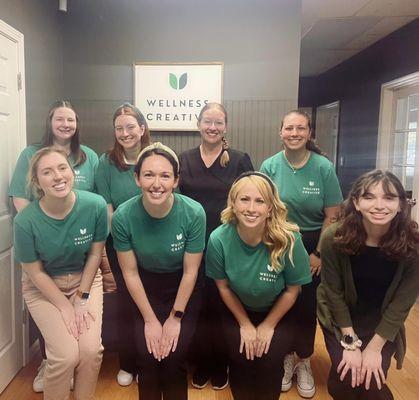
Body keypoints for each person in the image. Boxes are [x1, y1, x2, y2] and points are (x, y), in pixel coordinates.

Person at [8, 100, 111, 393]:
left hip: (85, 280)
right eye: (47, 172)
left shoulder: (93, 205)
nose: (58, 176)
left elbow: (94, 252)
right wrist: (66, 306)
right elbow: (35, 272)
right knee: (65, 356)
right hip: (43, 285)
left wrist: (81, 296)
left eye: (62, 169)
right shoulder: (26, 221)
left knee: (91, 352)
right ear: (36, 181)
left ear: (73, 170)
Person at [111, 142, 206, 399]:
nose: (157, 183)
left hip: (182, 287)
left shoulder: (194, 212)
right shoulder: (123, 216)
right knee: (148, 356)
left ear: (176, 180)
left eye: (165, 176)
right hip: (144, 287)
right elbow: (130, 273)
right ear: (137, 178)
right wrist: (150, 320)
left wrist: (175, 318)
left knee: (174, 356)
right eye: (149, 175)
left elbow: (190, 271)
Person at [206, 172, 312, 400]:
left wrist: (268, 325)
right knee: (241, 357)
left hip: (279, 309)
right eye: (244, 199)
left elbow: (293, 290)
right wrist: (245, 324)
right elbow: (223, 287)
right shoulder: (218, 239)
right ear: (232, 203)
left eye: (260, 201)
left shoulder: (289, 240)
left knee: (269, 360)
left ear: (271, 208)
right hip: (237, 308)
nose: (251, 208)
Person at [260, 109, 342, 397]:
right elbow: (261, 206)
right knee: (280, 303)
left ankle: (303, 360)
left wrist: (318, 252)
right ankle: (284, 358)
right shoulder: (269, 166)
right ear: (280, 132)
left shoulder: (323, 167)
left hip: (312, 244)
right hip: (277, 241)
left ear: (309, 133)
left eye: (301, 128)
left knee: (306, 306)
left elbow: (332, 215)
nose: (294, 133)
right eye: (289, 128)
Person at [317, 169, 419, 400]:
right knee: (345, 378)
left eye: (389, 197)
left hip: (381, 322)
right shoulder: (334, 237)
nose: (379, 205)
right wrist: (350, 343)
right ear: (356, 202)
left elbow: (402, 302)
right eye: (369, 197)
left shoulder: (414, 244)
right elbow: (332, 293)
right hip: (340, 319)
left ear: (401, 204)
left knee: (371, 384)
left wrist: (374, 348)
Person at [178, 102, 253, 389]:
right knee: (197, 304)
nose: (212, 127)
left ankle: (222, 364)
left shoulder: (238, 159)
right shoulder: (183, 160)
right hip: (192, 244)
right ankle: (200, 362)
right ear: (198, 125)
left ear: (225, 127)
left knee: (222, 305)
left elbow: (250, 196)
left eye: (218, 122)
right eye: (207, 122)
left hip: (228, 244)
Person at [95, 102, 151, 386]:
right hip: (120, 246)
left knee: (151, 305)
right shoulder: (106, 162)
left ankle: (149, 361)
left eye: (131, 127)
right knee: (127, 305)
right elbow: (107, 208)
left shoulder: (155, 156)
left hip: (155, 246)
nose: (125, 133)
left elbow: (165, 199)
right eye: (119, 128)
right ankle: (129, 362)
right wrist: (125, 238)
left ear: (142, 128)